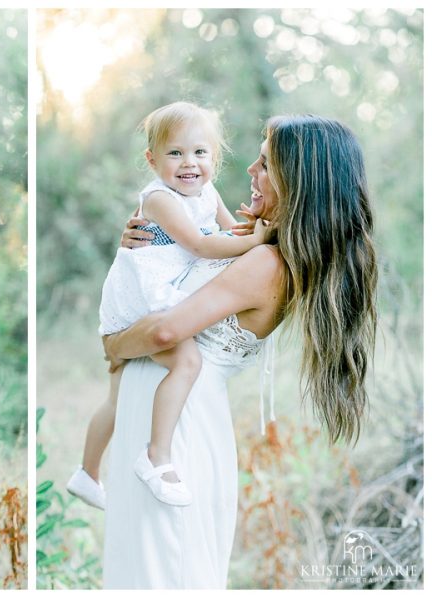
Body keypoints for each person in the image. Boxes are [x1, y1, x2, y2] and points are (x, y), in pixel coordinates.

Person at [101, 114, 378, 588]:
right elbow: (182, 268)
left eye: (265, 164)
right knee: (152, 563)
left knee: (164, 567)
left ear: (299, 182)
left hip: (178, 421)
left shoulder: (266, 262)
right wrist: (148, 246)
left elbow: (167, 332)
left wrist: (113, 344)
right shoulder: (261, 248)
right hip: (170, 408)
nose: (250, 169)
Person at [67, 102, 267, 510]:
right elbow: (200, 244)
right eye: (175, 153)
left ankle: (86, 474)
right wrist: (258, 240)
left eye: (200, 152)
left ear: (215, 157)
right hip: (142, 297)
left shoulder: (207, 193)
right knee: (186, 361)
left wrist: (252, 229)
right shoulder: (158, 199)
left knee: (117, 397)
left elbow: (230, 233)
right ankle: (157, 456)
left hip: (156, 291)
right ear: (152, 159)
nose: (189, 163)